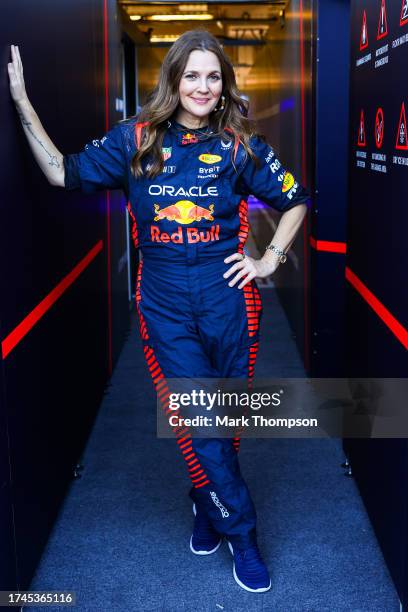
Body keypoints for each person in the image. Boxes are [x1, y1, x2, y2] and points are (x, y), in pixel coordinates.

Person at [8, 29, 309, 594]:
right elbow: (61, 172)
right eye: (191, 74)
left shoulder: (241, 143)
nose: (202, 85)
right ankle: (242, 535)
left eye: (212, 76)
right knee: (202, 420)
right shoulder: (136, 140)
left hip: (230, 302)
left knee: (225, 422)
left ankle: (205, 502)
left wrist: (269, 259)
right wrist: (23, 102)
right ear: (173, 80)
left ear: (224, 87)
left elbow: (294, 199)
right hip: (165, 304)